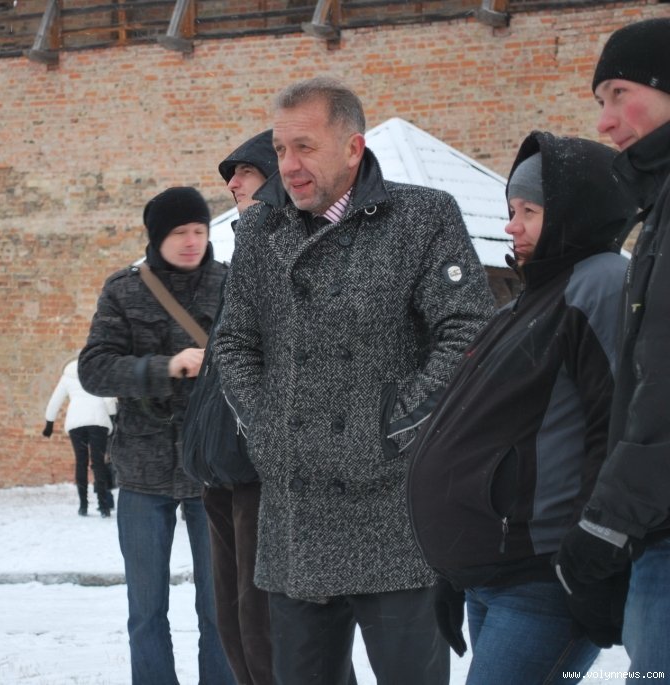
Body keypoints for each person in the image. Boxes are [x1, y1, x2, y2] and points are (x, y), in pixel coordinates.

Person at [212, 76, 494, 685]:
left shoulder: (422, 217)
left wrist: (398, 424)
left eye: (304, 147)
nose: (289, 165)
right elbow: (232, 342)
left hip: (393, 509)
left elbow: (468, 329)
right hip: (297, 512)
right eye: (280, 149)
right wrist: (268, 426)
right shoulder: (260, 231)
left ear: (352, 147)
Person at [407, 132, 636, 682]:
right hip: (493, 574)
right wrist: (455, 565)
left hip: (543, 578)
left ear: (574, 215)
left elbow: (615, 429)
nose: (511, 226)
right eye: (512, 211)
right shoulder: (533, 298)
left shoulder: (601, 284)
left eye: (529, 211)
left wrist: (592, 553)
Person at [79, 186, 234, 684]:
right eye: (179, 232)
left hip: (214, 470)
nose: (192, 241)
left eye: (199, 230)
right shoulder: (123, 291)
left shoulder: (231, 284)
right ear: (156, 236)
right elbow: (94, 369)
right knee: (146, 612)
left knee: (221, 610)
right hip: (143, 472)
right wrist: (165, 367)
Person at [555, 17, 670, 675]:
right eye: (601, 100)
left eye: (619, 93)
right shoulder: (659, 209)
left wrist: (608, 522)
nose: (604, 121)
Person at [193, 129, 277, 685]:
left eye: (244, 171)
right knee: (231, 619)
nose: (232, 183)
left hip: (259, 467)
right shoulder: (244, 250)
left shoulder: (286, 250)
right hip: (220, 464)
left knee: (264, 622)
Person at [42, 356, 117, 517]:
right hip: (98, 420)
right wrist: (112, 417)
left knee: (81, 462)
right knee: (98, 463)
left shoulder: (67, 376)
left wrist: (49, 423)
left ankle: (83, 506)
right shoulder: (97, 371)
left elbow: (55, 400)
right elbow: (109, 399)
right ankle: (104, 506)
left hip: (76, 422)